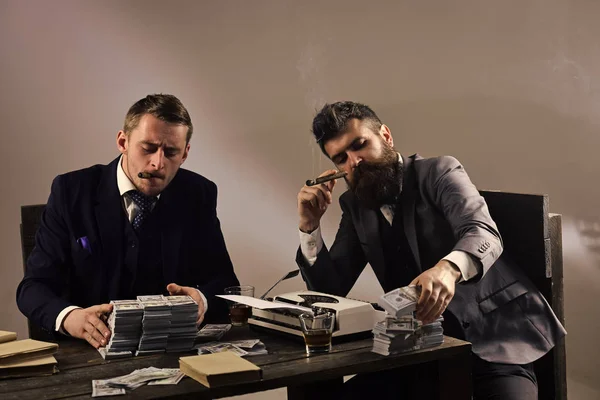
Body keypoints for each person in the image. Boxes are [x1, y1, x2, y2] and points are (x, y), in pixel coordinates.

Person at [296, 101, 566, 399]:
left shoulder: (439, 171)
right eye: (341, 159)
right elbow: (329, 290)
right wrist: (309, 227)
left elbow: (482, 231)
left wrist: (448, 270)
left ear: (386, 136)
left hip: (495, 349)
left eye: (359, 145)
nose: (354, 162)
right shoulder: (355, 205)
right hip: (417, 355)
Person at [17, 94, 239, 349]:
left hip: (172, 352)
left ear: (185, 153)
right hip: (85, 354)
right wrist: (70, 317)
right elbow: (33, 288)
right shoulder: (71, 191)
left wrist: (203, 299)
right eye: (148, 148)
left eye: (171, 152)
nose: (158, 163)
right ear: (123, 141)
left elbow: (225, 283)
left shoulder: (199, 193)